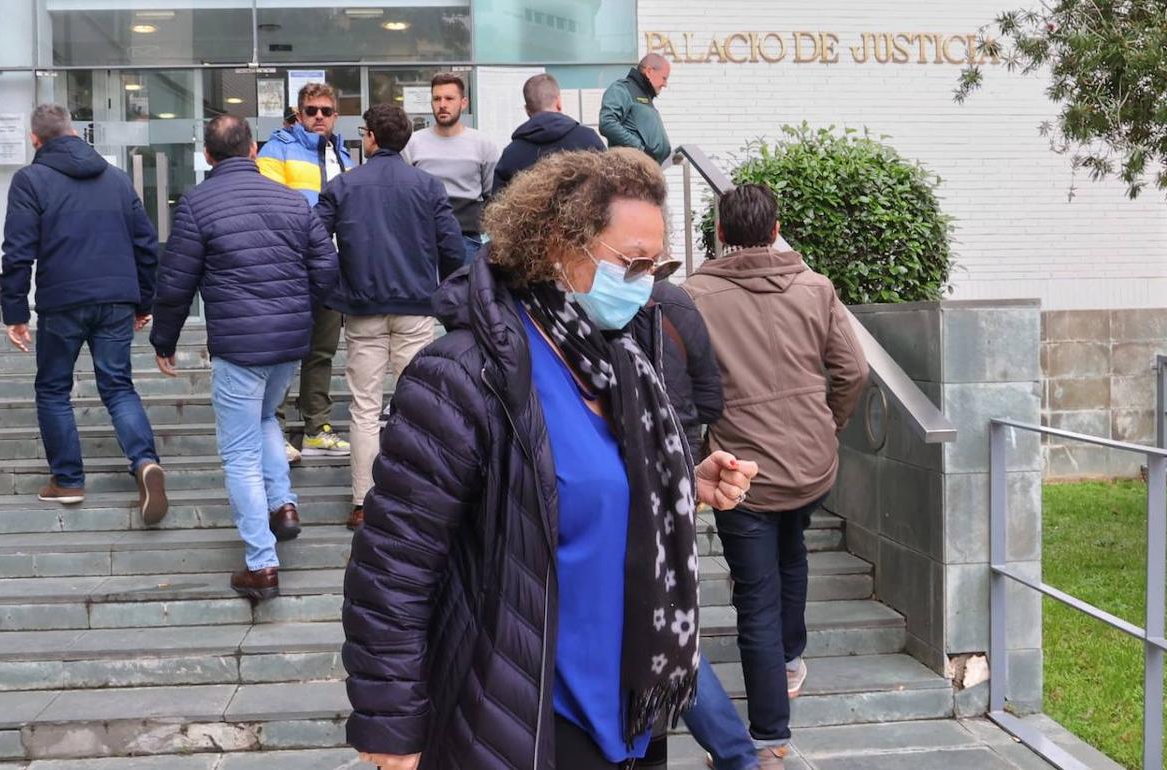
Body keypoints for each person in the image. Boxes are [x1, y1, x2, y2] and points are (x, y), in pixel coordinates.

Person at [342, 148, 758, 770]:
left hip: (634, 713)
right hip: (525, 715)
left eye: (657, 265)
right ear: (560, 246)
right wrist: (392, 723)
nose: (646, 283)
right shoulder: (462, 374)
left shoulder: (622, 364)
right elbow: (394, 564)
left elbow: (590, 489)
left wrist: (681, 483)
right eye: (631, 262)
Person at [683, 184, 869, 770]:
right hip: (811, 463)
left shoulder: (694, 296)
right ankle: (791, 660)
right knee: (793, 555)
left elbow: (684, 386)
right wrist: (828, 425)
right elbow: (854, 369)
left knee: (756, 598)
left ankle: (769, 739)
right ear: (775, 229)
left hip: (742, 471)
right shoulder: (816, 287)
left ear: (719, 233)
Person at [150, 116, 338, 601]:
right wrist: (304, 313)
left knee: (238, 453)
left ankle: (261, 563)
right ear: (253, 149)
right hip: (288, 342)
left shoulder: (197, 204)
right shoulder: (291, 201)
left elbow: (176, 283)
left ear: (208, 155)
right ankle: (284, 505)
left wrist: (164, 341)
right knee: (265, 421)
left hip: (238, 347)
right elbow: (326, 266)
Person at [0, 103, 168, 524]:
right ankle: (145, 462)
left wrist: (15, 311)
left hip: (62, 301)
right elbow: (147, 245)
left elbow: (18, 253)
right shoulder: (115, 178)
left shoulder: (30, 180)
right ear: (75, 133)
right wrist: (143, 302)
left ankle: (68, 480)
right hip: (115, 298)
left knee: (54, 389)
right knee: (117, 386)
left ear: (35, 139)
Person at [314, 104, 464, 531]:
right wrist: (446, 291)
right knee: (419, 406)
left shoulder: (344, 185)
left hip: (362, 310)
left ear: (372, 137)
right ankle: (419, 496)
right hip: (416, 307)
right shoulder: (428, 186)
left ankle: (363, 502)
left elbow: (314, 240)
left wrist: (334, 288)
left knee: (364, 408)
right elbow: (452, 247)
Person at [630, 282, 759, 770]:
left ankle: (734, 755)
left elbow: (709, 396)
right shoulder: (674, 302)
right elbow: (709, 396)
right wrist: (679, 431)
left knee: (663, 629)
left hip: (661, 482)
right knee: (670, 629)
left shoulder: (664, 305)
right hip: (673, 473)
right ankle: (737, 756)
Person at [258, 81, 353, 464]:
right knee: (283, 350)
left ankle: (316, 427)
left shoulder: (342, 154)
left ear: (335, 116)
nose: (318, 117)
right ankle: (274, 429)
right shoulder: (277, 148)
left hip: (330, 267)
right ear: (299, 114)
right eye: (311, 111)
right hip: (290, 268)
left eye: (325, 111)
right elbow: (266, 207)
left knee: (322, 351)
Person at [402, 73, 499, 263]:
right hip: (423, 238)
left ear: (463, 103)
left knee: (467, 292)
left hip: (468, 239)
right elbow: (405, 193)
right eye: (437, 99)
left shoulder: (483, 145)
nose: (442, 104)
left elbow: (491, 194)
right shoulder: (413, 143)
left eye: (449, 98)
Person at [492, 72, 604, 195]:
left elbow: (496, 204)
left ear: (527, 110)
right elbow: (608, 186)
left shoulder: (511, 154)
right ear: (559, 103)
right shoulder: (588, 139)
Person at [599, 53, 673, 165]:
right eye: (664, 78)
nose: (665, 84)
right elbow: (607, 123)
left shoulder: (644, 95)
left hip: (646, 170)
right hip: (630, 171)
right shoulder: (622, 89)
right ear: (649, 72)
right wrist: (641, 149)